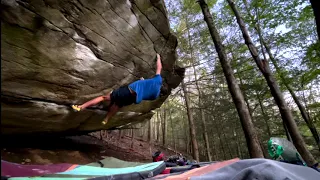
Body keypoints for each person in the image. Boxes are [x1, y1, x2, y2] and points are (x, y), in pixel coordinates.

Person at [72, 54, 163, 125]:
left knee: (104, 97)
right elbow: (143, 93)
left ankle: (81, 107)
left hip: (129, 91)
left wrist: (158, 57)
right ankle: (106, 119)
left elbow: (159, 67)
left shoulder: (158, 79)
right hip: (132, 98)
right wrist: (142, 82)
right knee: (118, 105)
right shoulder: (155, 95)